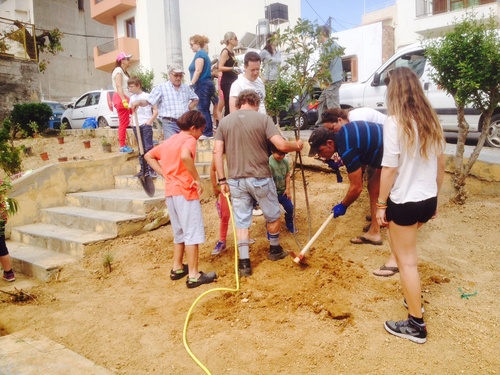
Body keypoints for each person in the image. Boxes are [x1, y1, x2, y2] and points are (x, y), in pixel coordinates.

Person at [376, 67, 446, 344]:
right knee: (407, 259)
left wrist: (381, 205)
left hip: (404, 201)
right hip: (426, 199)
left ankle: (416, 325)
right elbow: (441, 165)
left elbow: (389, 169)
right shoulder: (432, 121)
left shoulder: (394, 123)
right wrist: (435, 198)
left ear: (394, 91)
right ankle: (413, 299)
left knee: (406, 262)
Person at [213, 90, 304, 277]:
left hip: (236, 180)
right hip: (260, 177)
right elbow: (281, 145)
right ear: (255, 102)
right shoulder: (263, 119)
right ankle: (274, 249)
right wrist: (297, 146)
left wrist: (222, 180)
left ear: (239, 103)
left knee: (242, 221)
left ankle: (244, 263)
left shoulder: (224, 122)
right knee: (272, 215)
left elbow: (217, 153)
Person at [144, 110, 217, 289]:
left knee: (180, 232)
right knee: (192, 233)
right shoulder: (189, 140)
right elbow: (185, 156)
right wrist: (197, 179)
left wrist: (165, 175)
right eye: (201, 131)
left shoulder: (171, 140)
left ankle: (177, 268)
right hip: (186, 191)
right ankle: (193, 275)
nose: (200, 135)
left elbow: (149, 156)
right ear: (193, 128)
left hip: (171, 192)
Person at [308, 124, 384, 246]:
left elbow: (356, 188)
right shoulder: (344, 134)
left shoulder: (347, 149)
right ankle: (375, 230)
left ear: (329, 143)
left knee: (375, 188)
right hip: (387, 149)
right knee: (374, 187)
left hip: (396, 151)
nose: (320, 156)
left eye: (320, 151)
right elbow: (362, 151)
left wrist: (343, 206)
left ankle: (377, 230)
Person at [130, 64, 198, 140]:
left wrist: (188, 108)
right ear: (170, 75)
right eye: (176, 75)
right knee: (172, 146)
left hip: (184, 123)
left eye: (180, 76)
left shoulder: (186, 88)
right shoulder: (161, 87)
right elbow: (148, 101)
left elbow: (195, 99)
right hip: (170, 124)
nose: (178, 78)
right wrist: (139, 102)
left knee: (184, 146)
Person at [128, 76, 158, 178]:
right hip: (136, 125)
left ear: (138, 85)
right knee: (140, 148)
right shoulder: (132, 98)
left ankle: (152, 169)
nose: (130, 89)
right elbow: (132, 112)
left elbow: (155, 110)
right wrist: (131, 120)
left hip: (146, 124)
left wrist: (150, 121)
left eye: (131, 87)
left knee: (148, 147)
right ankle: (143, 169)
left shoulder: (147, 96)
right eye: (129, 87)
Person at [315, 26, 343, 126]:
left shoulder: (327, 44)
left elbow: (325, 63)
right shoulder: (334, 44)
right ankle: (321, 124)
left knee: (333, 107)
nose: (316, 37)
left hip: (332, 80)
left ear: (322, 34)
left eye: (317, 35)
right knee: (321, 101)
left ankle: (338, 126)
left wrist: (317, 75)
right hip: (333, 80)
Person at [189, 34, 216, 139]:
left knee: (202, 108)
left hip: (202, 83)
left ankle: (207, 132)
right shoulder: (204, 54)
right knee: (204, 108)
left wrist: (191, 83)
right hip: (206, 83)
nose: (191, 47)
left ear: (197, 43)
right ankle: (207, 131)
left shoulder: (200, 54)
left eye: (192, 45)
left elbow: (198, 70)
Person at [269, 143, 296, 233]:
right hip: (271, 193)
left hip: (282, 192)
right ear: (273, 151)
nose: (281, 156)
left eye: (283, 154)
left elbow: (287, 176)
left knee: (289, 208)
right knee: (271, 213)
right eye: (279, 154)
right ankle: (270, 231)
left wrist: (287, 189)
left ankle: (289, 225)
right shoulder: (269, 163)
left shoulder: (285, 162)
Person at [111, 52, 134, 153]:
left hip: (125, 97)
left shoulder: (124, 72)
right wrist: (123, 100)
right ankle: (122, 145)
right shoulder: (118, 70)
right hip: (121, 98)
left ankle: (142, 139)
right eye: (127, 59)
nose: (129, 60)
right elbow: (119, 86)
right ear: (122, 61)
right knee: (124, 123)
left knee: (136, 118)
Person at [218, 32, 240, 117]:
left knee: (234, 104)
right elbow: (220, 67)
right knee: (228, 104)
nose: (237, 40)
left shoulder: (232, 53)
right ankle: (227, 125)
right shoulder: (225, 52)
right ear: (230, 40)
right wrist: (232, 68)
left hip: (233, 80)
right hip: (227, 82)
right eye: (235, 38)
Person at [321, 107, 387, 133]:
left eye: (332, 128)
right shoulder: (351, 118)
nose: (333, 132)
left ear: (340, 120)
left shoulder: (356, 120)